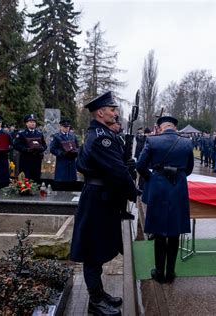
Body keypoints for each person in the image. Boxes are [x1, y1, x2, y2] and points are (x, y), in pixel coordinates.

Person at [70, 91, 138, 315]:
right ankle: (95, 301)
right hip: (98, 198)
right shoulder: (102, 137)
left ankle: (99, 293)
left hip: (101, 196)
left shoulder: (99, 133)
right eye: (112, 109)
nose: (115, 113)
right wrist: (132, 190)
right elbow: (116, 170)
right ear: (101, 112)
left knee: (97, 248)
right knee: (92, 250)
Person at [137, 116, 194, 284]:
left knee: (159, 231)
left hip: (159, 187)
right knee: (175, 231)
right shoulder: (186, 142)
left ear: (161, 128)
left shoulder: (153, 141)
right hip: (178, 188)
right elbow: (189, 169)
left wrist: (153, 178)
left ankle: (159, 272)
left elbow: (140, 165)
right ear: (175, 128)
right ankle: (170, 272)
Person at [13, 114, 47, 184]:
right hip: (26, 158)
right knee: (25, 177)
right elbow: (16, 145)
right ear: (26, 123)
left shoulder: (39, 133)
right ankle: (25, 191)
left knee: (36, 177)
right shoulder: (22, 133)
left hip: (36, 158)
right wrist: (26, 149)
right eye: (30, 122)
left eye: (34, 122)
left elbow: (44, 144)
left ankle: (35, 191)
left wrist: (42, 149)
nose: (33, 123)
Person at [49, 119, 79, 190]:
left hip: (71, 162)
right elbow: (52, 149)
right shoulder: (56, 137)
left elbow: (77, 147)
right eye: (65, 127)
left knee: (71, 184)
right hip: (62, 162)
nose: (66, 128)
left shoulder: (73, 136)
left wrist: (76, 152)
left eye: (68, 127)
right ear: (61, 127)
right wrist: (61, 153)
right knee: (61, 183)